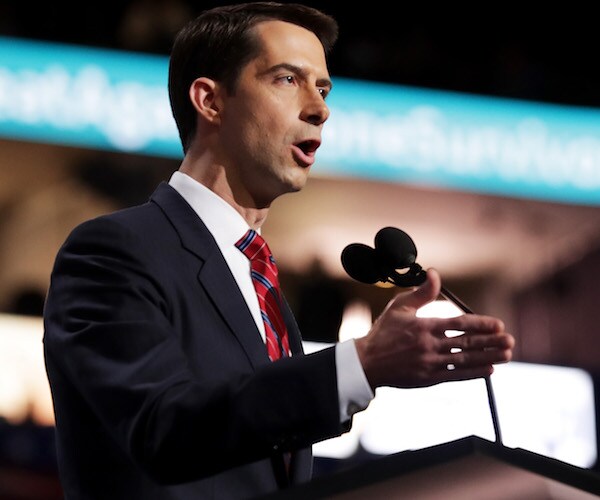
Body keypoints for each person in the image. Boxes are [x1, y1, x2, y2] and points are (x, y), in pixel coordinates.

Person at [42, 2, 515, 499]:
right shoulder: (114, 252)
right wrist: (362, 363)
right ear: (210, 101)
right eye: (288, 80)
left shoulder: (262, 285)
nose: (320, 108)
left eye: (324, 88)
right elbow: (163, 429)